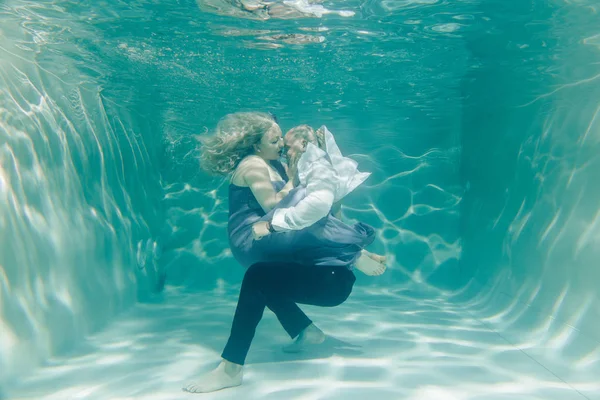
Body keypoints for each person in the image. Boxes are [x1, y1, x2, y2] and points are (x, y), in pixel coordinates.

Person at [200, 112, 386, 275]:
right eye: (274, 141)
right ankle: (354, 253)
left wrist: (319, 154)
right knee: (304, 196)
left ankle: (354, 249)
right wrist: (294, 178)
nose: (281, 145)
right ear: (257, 146)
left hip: (271, 234)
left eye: (281, 138)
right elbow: (273, 205)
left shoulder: (276, 165)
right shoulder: (252, 164)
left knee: (316, 196)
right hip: (251, 238)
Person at [183, 259, 358, 394]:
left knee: (257, 274)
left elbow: (329, 230)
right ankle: (304, 328)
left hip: (332, 281)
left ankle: (231, 368)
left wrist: (357, 255)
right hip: (333, 278)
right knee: (267, 278)